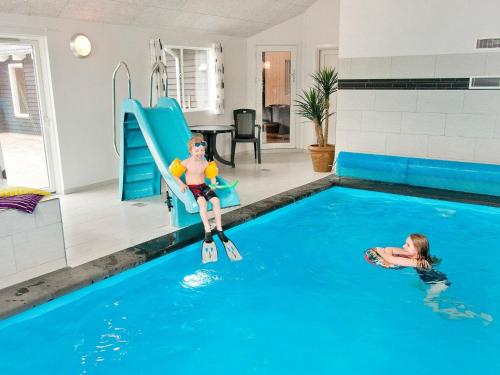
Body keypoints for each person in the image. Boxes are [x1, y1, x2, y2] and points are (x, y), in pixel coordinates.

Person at [375, 234, 492, 323]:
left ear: (417, 250)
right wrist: (386, 251)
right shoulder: (417, 255)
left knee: (429, 302)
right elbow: (390, 249)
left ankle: (474, 315)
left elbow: (392, 260)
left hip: (439, 284)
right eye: (405, 243)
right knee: (431, 293)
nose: (403, 246)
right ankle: (465, 309)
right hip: (437, 281)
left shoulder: (419, 262)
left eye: (408, 245)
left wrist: (380, 251)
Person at [170, 134, 242, 263]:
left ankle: (219, 227)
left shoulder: (205, 162)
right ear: (190, 151)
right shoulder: (186, 162)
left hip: (203, 186)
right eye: (196, 151)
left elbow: (212, 175)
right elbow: (174, 174)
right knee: (202, 203)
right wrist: (181, 184)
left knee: (216, 201)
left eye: (202, 150)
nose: (200, 153)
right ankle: (207, 230)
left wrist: (213, 183)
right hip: (193, 188)